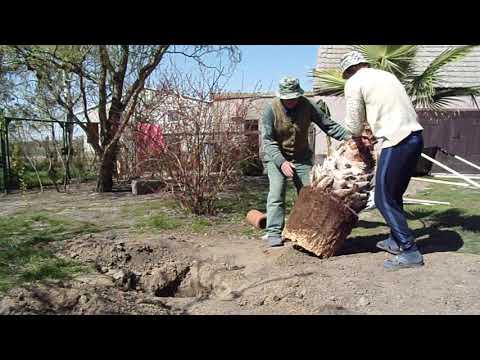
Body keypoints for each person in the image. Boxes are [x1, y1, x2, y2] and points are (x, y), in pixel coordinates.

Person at [340, 51, 425, 269]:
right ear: (364, 64)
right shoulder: (387, 76)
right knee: (395, 195)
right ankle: (395, 241)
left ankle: (410, 252)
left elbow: (354, 125)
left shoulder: (354, 82)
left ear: (348, 71)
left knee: (382, 199)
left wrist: (351, 137)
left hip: (397, 140)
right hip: (416, 137)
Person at [261, 76, 352, 247]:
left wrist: (350, 138)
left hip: (301, 157)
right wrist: (281, 162)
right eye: (287, 99)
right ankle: (273, 231)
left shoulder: (308, 105)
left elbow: (329, 125)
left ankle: (308, 229)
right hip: (277, 158)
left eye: (294, 98)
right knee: (276, 192)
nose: (291, 101)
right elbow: (268, 141)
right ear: (281, 96)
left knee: (310, 191)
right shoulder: (270, 109)